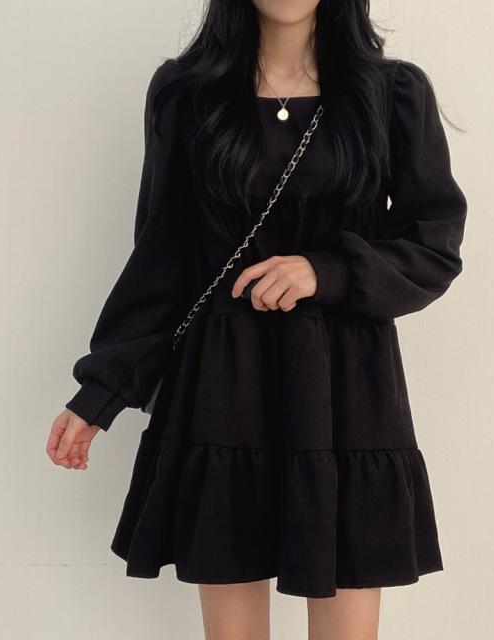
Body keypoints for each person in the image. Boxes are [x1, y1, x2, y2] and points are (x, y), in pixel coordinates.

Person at [46, 1, 467, 637]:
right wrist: (100, 393)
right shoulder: (187, 92)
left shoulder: (392, 93)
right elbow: (162, 257)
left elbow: (433, 246)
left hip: (345, 387)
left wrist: (324, 271)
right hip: (225, 384)